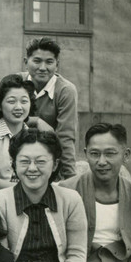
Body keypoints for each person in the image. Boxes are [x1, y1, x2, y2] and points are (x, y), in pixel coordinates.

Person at [0, 128, 87, 262]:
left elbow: (77, 254)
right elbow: (2, 257)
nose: (32, 168)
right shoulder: (0, 200)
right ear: (13, 163)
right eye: (24, 161)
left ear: (55, 164)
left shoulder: (71, 199)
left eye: (41, 161)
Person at [60, 123, 131, 262]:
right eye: (94, 154)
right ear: (86, 154)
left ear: (126, 155)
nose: (101, 161)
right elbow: (60, 248)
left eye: (110, 153)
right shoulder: (67, 191)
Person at [0, 74, 53, 191]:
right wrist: (17, 188)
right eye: (11, 101)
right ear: (0, 105)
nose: (18, 107)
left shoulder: (33, 136)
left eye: (24, 101)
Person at [20, 37, 78, 180]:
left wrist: (71, 179)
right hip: (17, 152)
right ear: (26, 62)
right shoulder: (16, 82)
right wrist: (36, 121)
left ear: (57, 65)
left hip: (48, 156)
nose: (42, 68)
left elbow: (65, 138)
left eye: (49, 62)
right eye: (37, 61)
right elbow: (3, 120)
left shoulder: (65, 90)